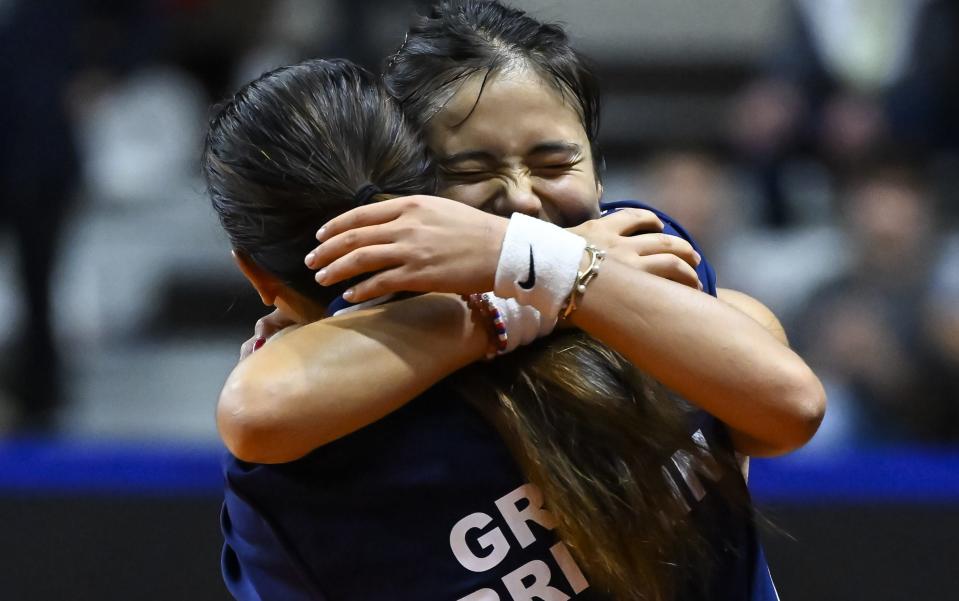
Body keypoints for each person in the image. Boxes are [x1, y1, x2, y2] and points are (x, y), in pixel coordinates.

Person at [214, 1, 824, 598]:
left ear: (599, 169)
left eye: (554, 162)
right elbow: (255, 412)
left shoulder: (638, 249)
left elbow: (787, 407)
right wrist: (529, 282)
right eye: (473, 171)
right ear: (411, 196)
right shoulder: (334, 408)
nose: (523, 201)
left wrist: (545, 269)